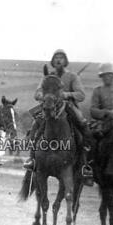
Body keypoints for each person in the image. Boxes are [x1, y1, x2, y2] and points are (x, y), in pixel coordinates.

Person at [23, 49, 93, 183]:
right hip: (49, 106)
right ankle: (32, 159)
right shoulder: (47, 77)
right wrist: (46, 96)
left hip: (67, 107)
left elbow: (81, 95)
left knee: (83, 125)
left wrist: (66, 95)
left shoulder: (72, 77)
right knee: (35, 125)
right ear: (53, 61)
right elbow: (37, 93)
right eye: (56, 58)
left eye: (61, 58)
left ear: (65, 61)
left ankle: (85, 165)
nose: (59, 60)